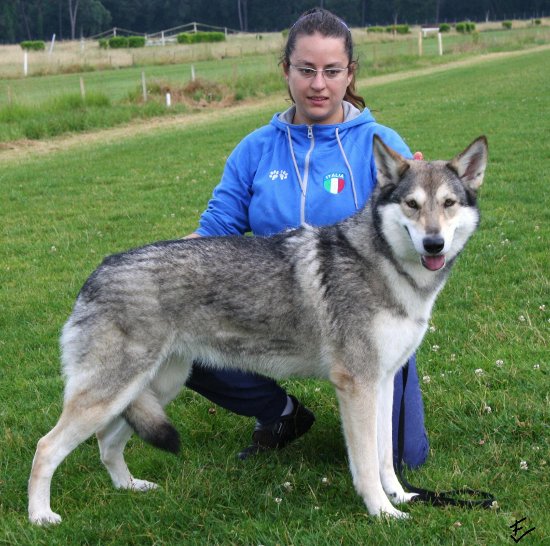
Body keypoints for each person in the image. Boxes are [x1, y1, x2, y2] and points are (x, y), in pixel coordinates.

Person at [184, 7, 429, 467]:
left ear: (349, 73)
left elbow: (410, 228)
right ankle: (279, 412)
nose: (319, 84)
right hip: (274, 309)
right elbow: (214, 231)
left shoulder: (378, 142)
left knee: (404, 459)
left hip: (364, 320)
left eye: (332, 71)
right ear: (286, 71)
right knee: (176, 315)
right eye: (307, 70)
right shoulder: (255, 148)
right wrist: (158, 267)